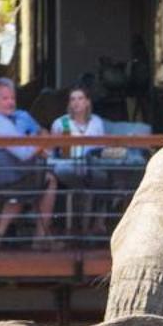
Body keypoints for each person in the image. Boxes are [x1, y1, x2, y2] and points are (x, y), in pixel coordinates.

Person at [0, 76, 59, 248]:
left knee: (24, 185)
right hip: (6, 177)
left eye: (12, 98)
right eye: (5, 98)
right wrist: (43, 142)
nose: (10, 102)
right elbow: (24, 153)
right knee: (49, 180)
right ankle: (40, 238)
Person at [49, 86, 110, 238]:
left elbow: (102, 148)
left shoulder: (96, 122)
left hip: (92, 165)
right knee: (80, 180)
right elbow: (51, 150)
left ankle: (97, 224)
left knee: (106, 179)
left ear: (87, 102)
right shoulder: (61, 123)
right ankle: (78, 228)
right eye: (73, 99)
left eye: (80, 98)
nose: (76, 102)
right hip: (68, 165)